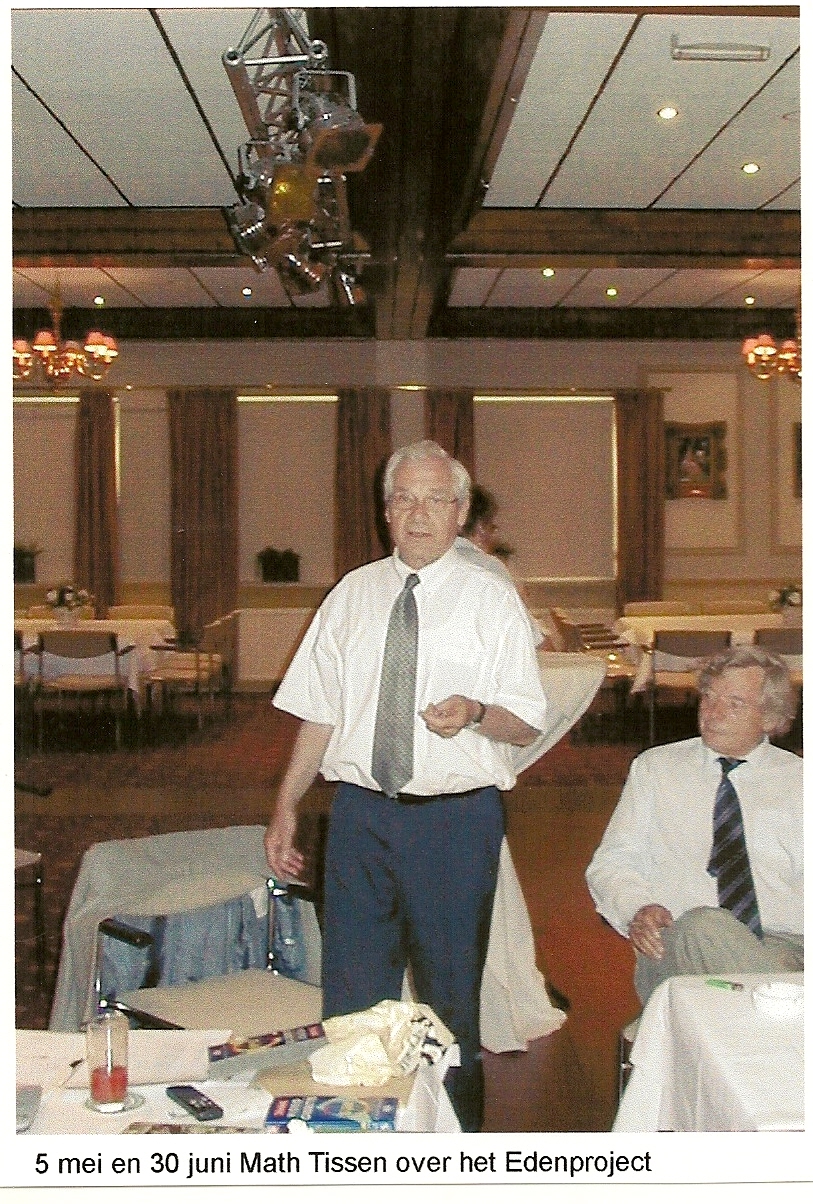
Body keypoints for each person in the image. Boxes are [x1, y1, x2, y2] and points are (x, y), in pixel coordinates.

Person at [264, 439, 548, 1130]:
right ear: (385, 511)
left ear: (460, 512)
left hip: (455, 823)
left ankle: (454, 1151)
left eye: (434, 500)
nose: (418, 514)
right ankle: (357, 1146)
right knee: (352, 1001)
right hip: (360, 817)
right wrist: (285, 805)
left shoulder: (490, 600)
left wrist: (476, 713)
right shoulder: (352, 595)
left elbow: (524, 725)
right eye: (403, 499)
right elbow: (320, 712)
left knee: (449, 1004)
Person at [585, 644, 802, 1006]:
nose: (713, 713)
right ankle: (784, 1008)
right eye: (709, 697)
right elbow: (613, 863)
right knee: (704, 926)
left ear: (770, 717)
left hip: (785, 948)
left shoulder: (800, 781)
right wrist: (637, 908)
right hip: (678, 949)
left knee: (764, 974)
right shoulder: (656, 769)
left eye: (735, 703)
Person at [456, 484, 552, 649]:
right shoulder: (486, 568)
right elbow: (532, 642)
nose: (494, 537)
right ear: (480, 528)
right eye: (492, 528)